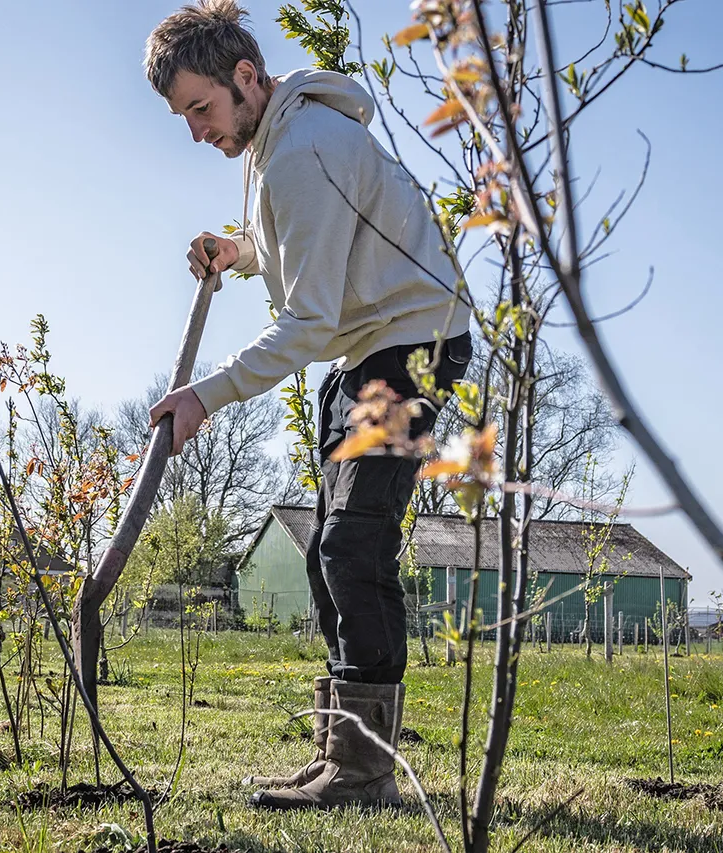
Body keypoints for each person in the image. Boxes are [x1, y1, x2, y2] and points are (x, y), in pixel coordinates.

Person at [144, 0, 472, 811]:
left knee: (352, 547)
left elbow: (309, 320)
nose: (196, 132)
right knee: (331, 547)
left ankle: (364, 773)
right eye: (184, 116)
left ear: (246, 77)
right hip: (372, 345)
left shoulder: (306, 148)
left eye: (201, 109)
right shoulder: (276, 140)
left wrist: (203, 396)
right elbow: (304, 247)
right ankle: (342, 751)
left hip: (412, 348)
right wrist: (241, 252)